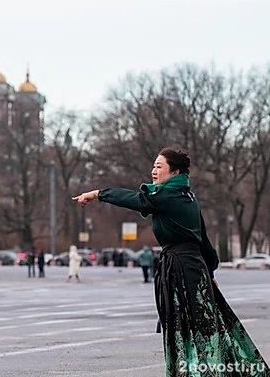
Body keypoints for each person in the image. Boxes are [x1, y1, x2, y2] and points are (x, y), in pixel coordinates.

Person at [73, 146, 268, 376]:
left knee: (186, 328)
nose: (154, 171)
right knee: (203, 326)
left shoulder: (166, 196)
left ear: (174, 172)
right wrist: (211, 271)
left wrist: (97, 194)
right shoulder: (187, 196)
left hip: (181, 269)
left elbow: (134, 199)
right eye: (154, 166)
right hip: (193, 267)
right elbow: (203, 239)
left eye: (159, 166)